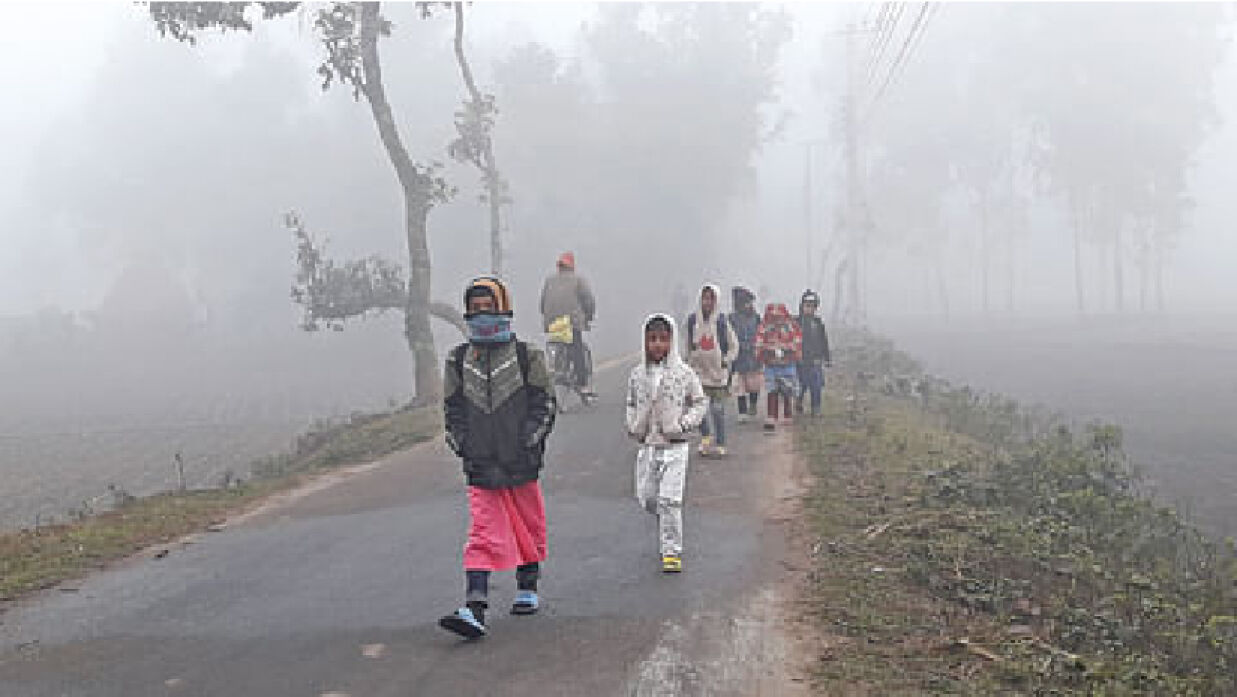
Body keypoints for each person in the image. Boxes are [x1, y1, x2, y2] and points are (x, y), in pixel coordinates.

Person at [440, 276, 557, 640]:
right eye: (474, 309)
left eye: (488, 307)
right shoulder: (458, 360)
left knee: (527, 524)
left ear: (504, 308)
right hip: (480, 465)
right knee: (482, 533)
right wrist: (463, 443)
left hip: (521, 461)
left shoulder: (528, 357)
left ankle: (528, 585)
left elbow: (545, 404)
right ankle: (474, 606)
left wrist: (528, 440)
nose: (481, 315)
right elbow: (452, 410)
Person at [626, 314, 708, 573]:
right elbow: (630, 402)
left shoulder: (684, 373)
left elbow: (699, 401)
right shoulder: (638, 374)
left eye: (663, 339)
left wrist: (684, 424)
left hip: (675, 446)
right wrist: (632, 425)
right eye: (652, 339)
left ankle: (671, 552)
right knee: (648, 498)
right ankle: (666, 519)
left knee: (670, 499)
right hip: (648, 446)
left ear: (672, 341)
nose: (658, 345)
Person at [685, 284, 738, 457]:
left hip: (718, 376)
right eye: (704, 298)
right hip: (698, 374)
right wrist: (687, 364)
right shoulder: (693, 321)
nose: (707, 302)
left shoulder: (722, 322)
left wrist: (726, 360)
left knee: (717, 410)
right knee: (698, 410)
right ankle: (706, 436)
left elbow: (733, 346)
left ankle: (721, 442)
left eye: (711, 298)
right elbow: (688, 345)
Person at [540, 252, 597, 397]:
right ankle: (583, 384)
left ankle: (558, 368)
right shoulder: (578, 280)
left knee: (559, 344)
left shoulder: (549, 280)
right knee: (577, 349)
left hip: (552, 324)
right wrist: (588, 317)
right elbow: (588, 301)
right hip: (571, 323)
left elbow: (542, 303)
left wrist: (547, 318)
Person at [755, 303, 802, 433]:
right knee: (772, 390)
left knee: (787, 390)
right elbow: (759, 344)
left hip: (787, 365)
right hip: (771, 365)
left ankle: (787, 414)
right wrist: (767, 350)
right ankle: (771, 416)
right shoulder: (764, 328)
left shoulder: (792, 327)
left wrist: (786, 349)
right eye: (773, 317)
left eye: (779, 317)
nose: (777, 320)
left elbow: (797, 343)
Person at [729, 285, 763, 423]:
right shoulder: (731, 319)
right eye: (746, 303)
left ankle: (753, 403)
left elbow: (761, 334)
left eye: (750, 303)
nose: (749, 306)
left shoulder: (756, 318)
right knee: (740, 386)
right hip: (738, 356)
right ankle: (742, 412)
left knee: (754, 384)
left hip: (754, 356)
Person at [796, 290, 832, 417]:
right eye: (807, 306)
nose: (809, 309)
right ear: (802, 306)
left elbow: (824, 341)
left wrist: (827, 358)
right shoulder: (796, 322)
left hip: (815, 360)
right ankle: (798, 402)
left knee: (816, 386)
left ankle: (816, 408)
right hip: (799, 360)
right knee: (801, 385)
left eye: (812, 306)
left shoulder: (818, 323)